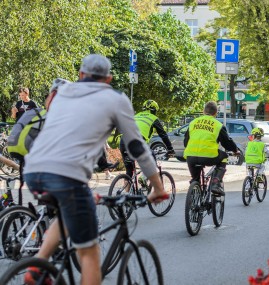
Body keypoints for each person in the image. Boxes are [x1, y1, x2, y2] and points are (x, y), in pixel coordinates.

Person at [23, 54, 168, 285]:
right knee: (90, 253)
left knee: (67, 211)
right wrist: (158, 187)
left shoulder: (62, 94)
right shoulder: (115, 98)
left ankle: (37, 267)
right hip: (67, 176)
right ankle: (40, 267)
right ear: (108, 79)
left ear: (81, 75)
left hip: (32, 171)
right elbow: (136, 145)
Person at [184, 101, 239, 196]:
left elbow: (186, 141)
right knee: (224, 156)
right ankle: (216, 183)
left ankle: (194, 194)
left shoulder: (193, 123)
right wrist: (235, 150)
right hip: (209, 156)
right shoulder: (218, 125)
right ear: (216, 113)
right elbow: (227, 142)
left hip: (190, 156)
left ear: (203, 111)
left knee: (195, 179)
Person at [119, 99, 175, 180]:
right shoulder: (153, 118)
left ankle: (125, 192)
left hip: (123, 142)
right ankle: (144, 178)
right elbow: (163, 135)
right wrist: (170, 149)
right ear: (154, 110)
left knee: (129, 172)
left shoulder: (136, 116)